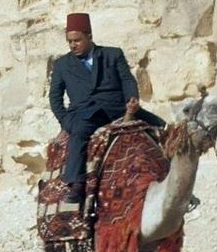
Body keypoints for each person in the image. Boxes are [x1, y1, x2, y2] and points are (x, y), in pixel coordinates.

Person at [48, 11, 163, 203]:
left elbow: (127, 79)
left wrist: (132, 99)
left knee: (161, 127)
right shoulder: (62, 64)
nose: (73, 45)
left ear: (89, 37)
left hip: (118, 107)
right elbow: (55, 98)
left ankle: (172, 179)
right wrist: (67, 122)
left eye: (77, 40)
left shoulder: (112, 54)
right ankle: (76, 185)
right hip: (85, 114)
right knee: (79, 134)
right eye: (70, 41)